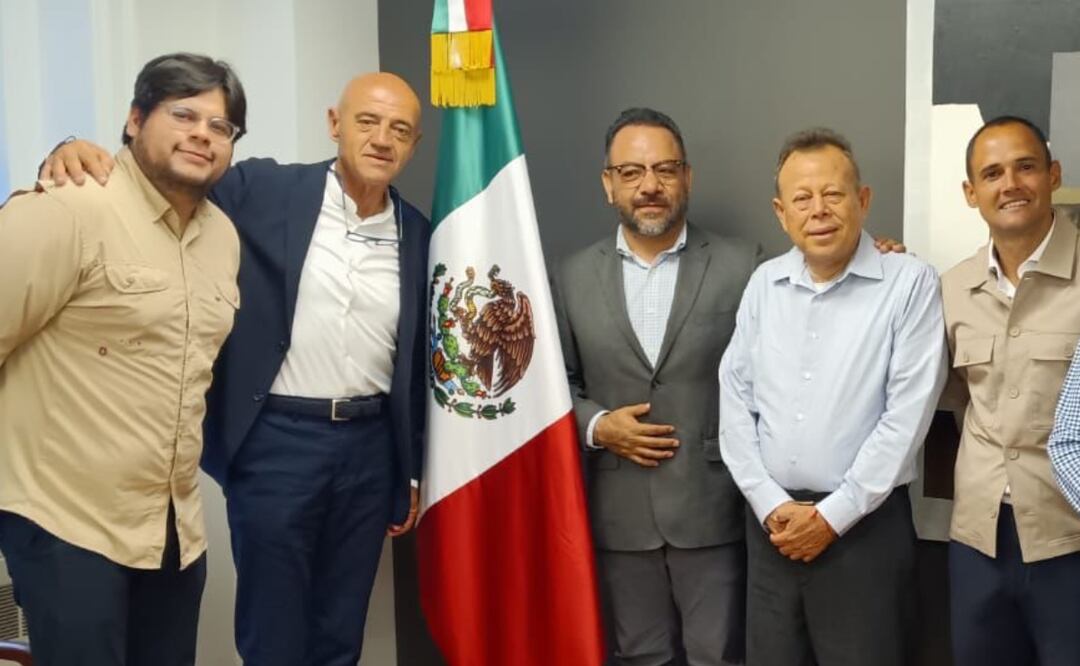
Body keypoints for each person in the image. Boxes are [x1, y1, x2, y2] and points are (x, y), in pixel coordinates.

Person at [40, 72, 430, 665]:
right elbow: (162, 176)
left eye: (399, 130)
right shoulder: (264, 189)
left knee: (341, 624)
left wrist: (409, 467)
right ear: (335, 124)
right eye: (367, 122)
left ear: (413, 145)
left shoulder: (418, 233)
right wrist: (70, 148)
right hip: (278, 442)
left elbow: (420, 360)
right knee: (273, 628)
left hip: (370, 449)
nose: (382, 139)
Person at [0, 52, 245, 666]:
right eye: (183, 115)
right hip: (67, 523)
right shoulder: (69, 208)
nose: (202, 134)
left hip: (174, 530)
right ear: (135, 120)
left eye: (220, 126)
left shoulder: (223, 237)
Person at [718, 127, 946, 666]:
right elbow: (734, 399)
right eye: (801, 198)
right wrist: (771, 504)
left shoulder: (910, 283)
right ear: (781, 213)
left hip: (864, 533)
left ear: (862, 200)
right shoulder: (763, 284)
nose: (818, 210)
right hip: (772, 530)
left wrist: (830, 518)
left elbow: (905, 420)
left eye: (833, 194)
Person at [552, 107, 759, 665]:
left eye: (665, 169)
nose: (649, 185)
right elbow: (554, 385)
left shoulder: (744, 266)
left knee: (719, 656)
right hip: (619, 515)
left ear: (687, 177)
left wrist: (874, 252)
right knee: (640, 656)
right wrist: (598, 426)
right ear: (608, 184)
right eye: (631, 172)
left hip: (713, 508)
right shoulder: (571, 276)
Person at [941, 115, 1080, 666]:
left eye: (1025, 167)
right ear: (970, 192)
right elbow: (957, 396)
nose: (1011, 185)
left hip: (1069, 537)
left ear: (1053, 175)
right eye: (992, 173)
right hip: (978, 541)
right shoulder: (952, 288)